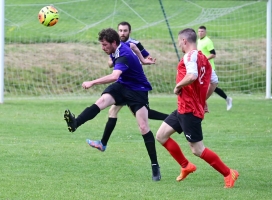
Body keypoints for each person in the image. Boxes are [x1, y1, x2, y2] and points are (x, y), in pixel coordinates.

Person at [64, 28, 161, 181]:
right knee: (101, 102)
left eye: (105, 45)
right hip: (122, 86)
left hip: (138, 90)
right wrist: (143, 60)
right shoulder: (119, 46)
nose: (103, 48)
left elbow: (115, 76)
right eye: (102, 45)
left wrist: (92, 82)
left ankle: (155, 165)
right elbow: (134, 46)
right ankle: (76, 123)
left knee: (143, 127)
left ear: (114, 43)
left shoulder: (123, 55)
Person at [155, 28, 239, 188]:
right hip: (183, 108)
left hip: (190, 111)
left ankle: (229, 173)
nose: (179, 44)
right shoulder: (203, 58)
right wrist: (202, 99)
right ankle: (186, 166)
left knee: (198, 149)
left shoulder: (189, 56)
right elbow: (214, 82)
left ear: (184, 41)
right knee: (161, 136)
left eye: (180, 41)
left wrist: (178, 86)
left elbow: (192, 75)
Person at [87, 21, 168, 152]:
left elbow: (144, 54)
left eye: (125, 31)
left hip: (135, 86)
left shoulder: (134, 43)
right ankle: (103, 143)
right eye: (120, 30)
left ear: (129, 32)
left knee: (141, 117)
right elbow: (110, 63)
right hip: (123, 85)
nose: (122, 33)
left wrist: (144, 60)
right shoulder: (116, 45)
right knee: (113, 111)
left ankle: (172, 119)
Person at [197, 25, 233, 111]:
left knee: (209, 86)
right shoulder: (198, 41)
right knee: (209, 86)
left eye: (202, 31)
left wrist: (204, 60)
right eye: (199, 31)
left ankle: (201, 103)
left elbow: (213, 54)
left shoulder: (208, 41)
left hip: (209, 67)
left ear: (205, 32)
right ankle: (227, 99)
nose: (200, 33)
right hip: (203, 68)